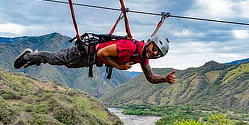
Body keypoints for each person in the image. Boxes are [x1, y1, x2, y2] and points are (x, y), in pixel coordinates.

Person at [14, 34, 176, 84]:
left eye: (158, 54)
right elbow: (102, 53)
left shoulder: (142, 57)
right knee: (55, 59)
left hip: (89, 60)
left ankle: (36, 57)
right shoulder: (130, 47)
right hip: (85, 53)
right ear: (149, 43)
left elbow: (150, 77)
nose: (154, 54)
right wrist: (118, 67)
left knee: (65, 64)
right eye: (154, 49)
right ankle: (30, 55)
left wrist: (164, 79)